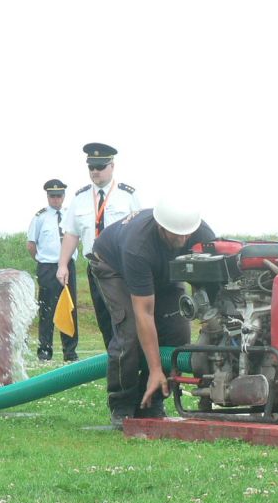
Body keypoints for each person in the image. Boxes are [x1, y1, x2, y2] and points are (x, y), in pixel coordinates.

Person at [89, 200, 215, 428]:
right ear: (160, 227)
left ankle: (154, 400)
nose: (183, 240)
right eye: (176, 234)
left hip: (164, 273)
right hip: (114, 268)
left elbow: (209, 286)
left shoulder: (202, 234)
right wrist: (155, 369)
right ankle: (122, 404)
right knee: (129, 333)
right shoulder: (138, 245)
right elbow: (144, 313)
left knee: (178, 331)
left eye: (187, 234)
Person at [57, 143, 140, 350]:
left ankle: (130, 357)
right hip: (95, 267)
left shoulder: (127, 195)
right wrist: (62, 265)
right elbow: (71, 233)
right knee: (104, 319)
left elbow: (140, 232)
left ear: (112, 166)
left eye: (100, 166)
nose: (95, 171)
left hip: (120, 267)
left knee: (124, 317)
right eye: (91, 167)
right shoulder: (80, 198)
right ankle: (113, 359)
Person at [27, 179, 78, 362]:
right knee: (47, 309)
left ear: (64, 196)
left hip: (68, 266)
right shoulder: (40, 217)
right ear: (47, 196)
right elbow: (31, 245)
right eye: (52, 196)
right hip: (48, 267)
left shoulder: (70, 215)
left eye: (59, 196)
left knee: (69, 308)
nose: (56, 199)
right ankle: (44, 351)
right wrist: (42, 260)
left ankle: (70, 352)